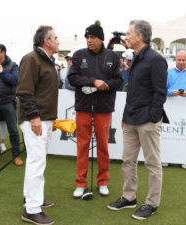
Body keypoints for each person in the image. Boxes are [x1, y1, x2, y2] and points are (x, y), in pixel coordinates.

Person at [108, 20, 169, 220]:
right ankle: (129, 197)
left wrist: (153, 117)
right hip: (131, 118)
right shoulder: (135, 58)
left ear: (140, 36)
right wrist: (125, 116)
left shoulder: (156, 59)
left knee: (152, 163)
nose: (126, 37)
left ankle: (151, 203)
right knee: (127, 160)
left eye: (128, 33)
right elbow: (132, 90)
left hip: (148, 120)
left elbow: (160, 92)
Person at [68, 23, 123, 198]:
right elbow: (72, 77)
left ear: (101, 39)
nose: (89, 40)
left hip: (103, 107)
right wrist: (93, 81)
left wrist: (105, 85)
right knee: (82, 145)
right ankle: (80, 183)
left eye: (92, 37)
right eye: (87, 38)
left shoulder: (113, 56)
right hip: (83, 106)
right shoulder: (79, 55)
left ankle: (103, 182)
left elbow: (119, 80)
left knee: (103, 145)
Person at [17, 25, 59, 225]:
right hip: (36, 119)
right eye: (56, 38)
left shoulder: (47, 60)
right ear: (46, 41)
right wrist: (34, 117)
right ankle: (32, 210)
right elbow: (25, 91)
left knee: (37, 161)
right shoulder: (31, 59)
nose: (58, 41)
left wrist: (50, 119)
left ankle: (32, 198)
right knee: (37, 162)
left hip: (45, 119)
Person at [0, 43, 23, 168]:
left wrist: (2, 71)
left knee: (13, 131)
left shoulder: (13, 65)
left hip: (8, 102)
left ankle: (16, 156)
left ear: (2, 53)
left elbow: (15, 80)